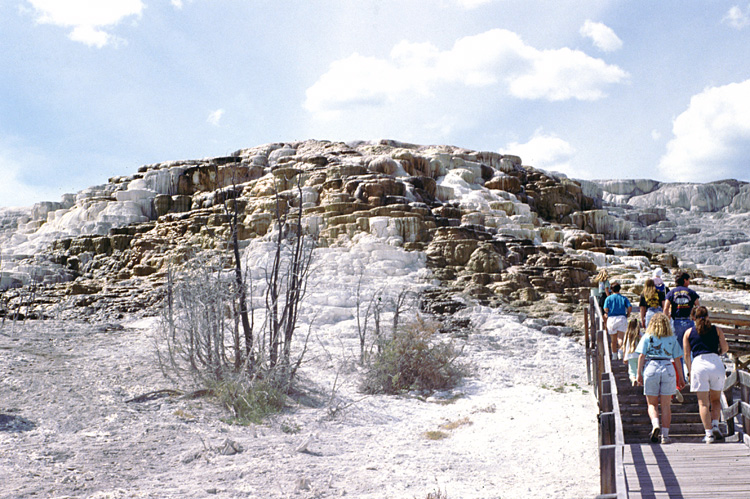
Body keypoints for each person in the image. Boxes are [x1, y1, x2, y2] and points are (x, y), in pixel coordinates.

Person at [636, 313, 684, 444]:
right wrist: (681, 377)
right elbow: (678, 359)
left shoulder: (647, 337)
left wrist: (638, 374)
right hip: (668, 367)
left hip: (651, 366)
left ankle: (655, 424)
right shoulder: (672, 339)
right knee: (666, 405)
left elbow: (641, 356)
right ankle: (665, 436)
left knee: (652, 403)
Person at [683, 306, 729, 444]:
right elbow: (725, 348)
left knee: (703, 403)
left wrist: (690, 372)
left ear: (693, 318)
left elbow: (686, 355)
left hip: (699, 364)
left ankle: (708, 434)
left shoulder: (689, 332)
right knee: (715, 399)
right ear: (708, 316)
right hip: (715, 363)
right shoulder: (716, 330)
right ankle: (715, 424)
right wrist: (717, 354)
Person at [664, 272, 700, 346]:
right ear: (685, 280)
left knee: (677, 345)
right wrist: (696, 318)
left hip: (676, 321)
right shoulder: (691, 292)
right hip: (688, 321)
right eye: (688, 280)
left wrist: (666, 320)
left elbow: (666, 308)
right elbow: (698, 307)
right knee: (689, 344)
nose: (689, 282)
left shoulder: (671, 292)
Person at [603, 282, 631, 360]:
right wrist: (628, 314)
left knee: (613, 340)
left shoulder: (608, 298)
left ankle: (614, 355)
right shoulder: (623, 298)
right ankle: (620, 354)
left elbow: (605, 309)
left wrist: (607, 312)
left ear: (611, 289)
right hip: (622, 318)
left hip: (612, 319)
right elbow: (629, 307)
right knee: (621, 338)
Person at [622, 318, 642, 385]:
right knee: (640, 369)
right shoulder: (640, 334)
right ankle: (639, 381)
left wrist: (624, 357)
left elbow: (624, 347)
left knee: (632, 371)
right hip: (640, 355)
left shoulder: (627, 334)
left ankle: (633, 379)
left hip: (630, 355)